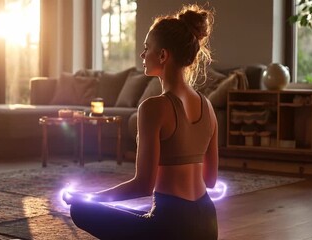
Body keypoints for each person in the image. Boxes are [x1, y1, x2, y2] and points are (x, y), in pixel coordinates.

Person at [63, 4, 218, 239]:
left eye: (147, 48)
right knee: (132, 214)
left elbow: (143, 185)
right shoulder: (208, 107)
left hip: (172, 227)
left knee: (81, 209)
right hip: (207, 222)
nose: (142, 55)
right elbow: (211, 180)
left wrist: (89, 198)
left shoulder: (153, 107)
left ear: (163, 55)